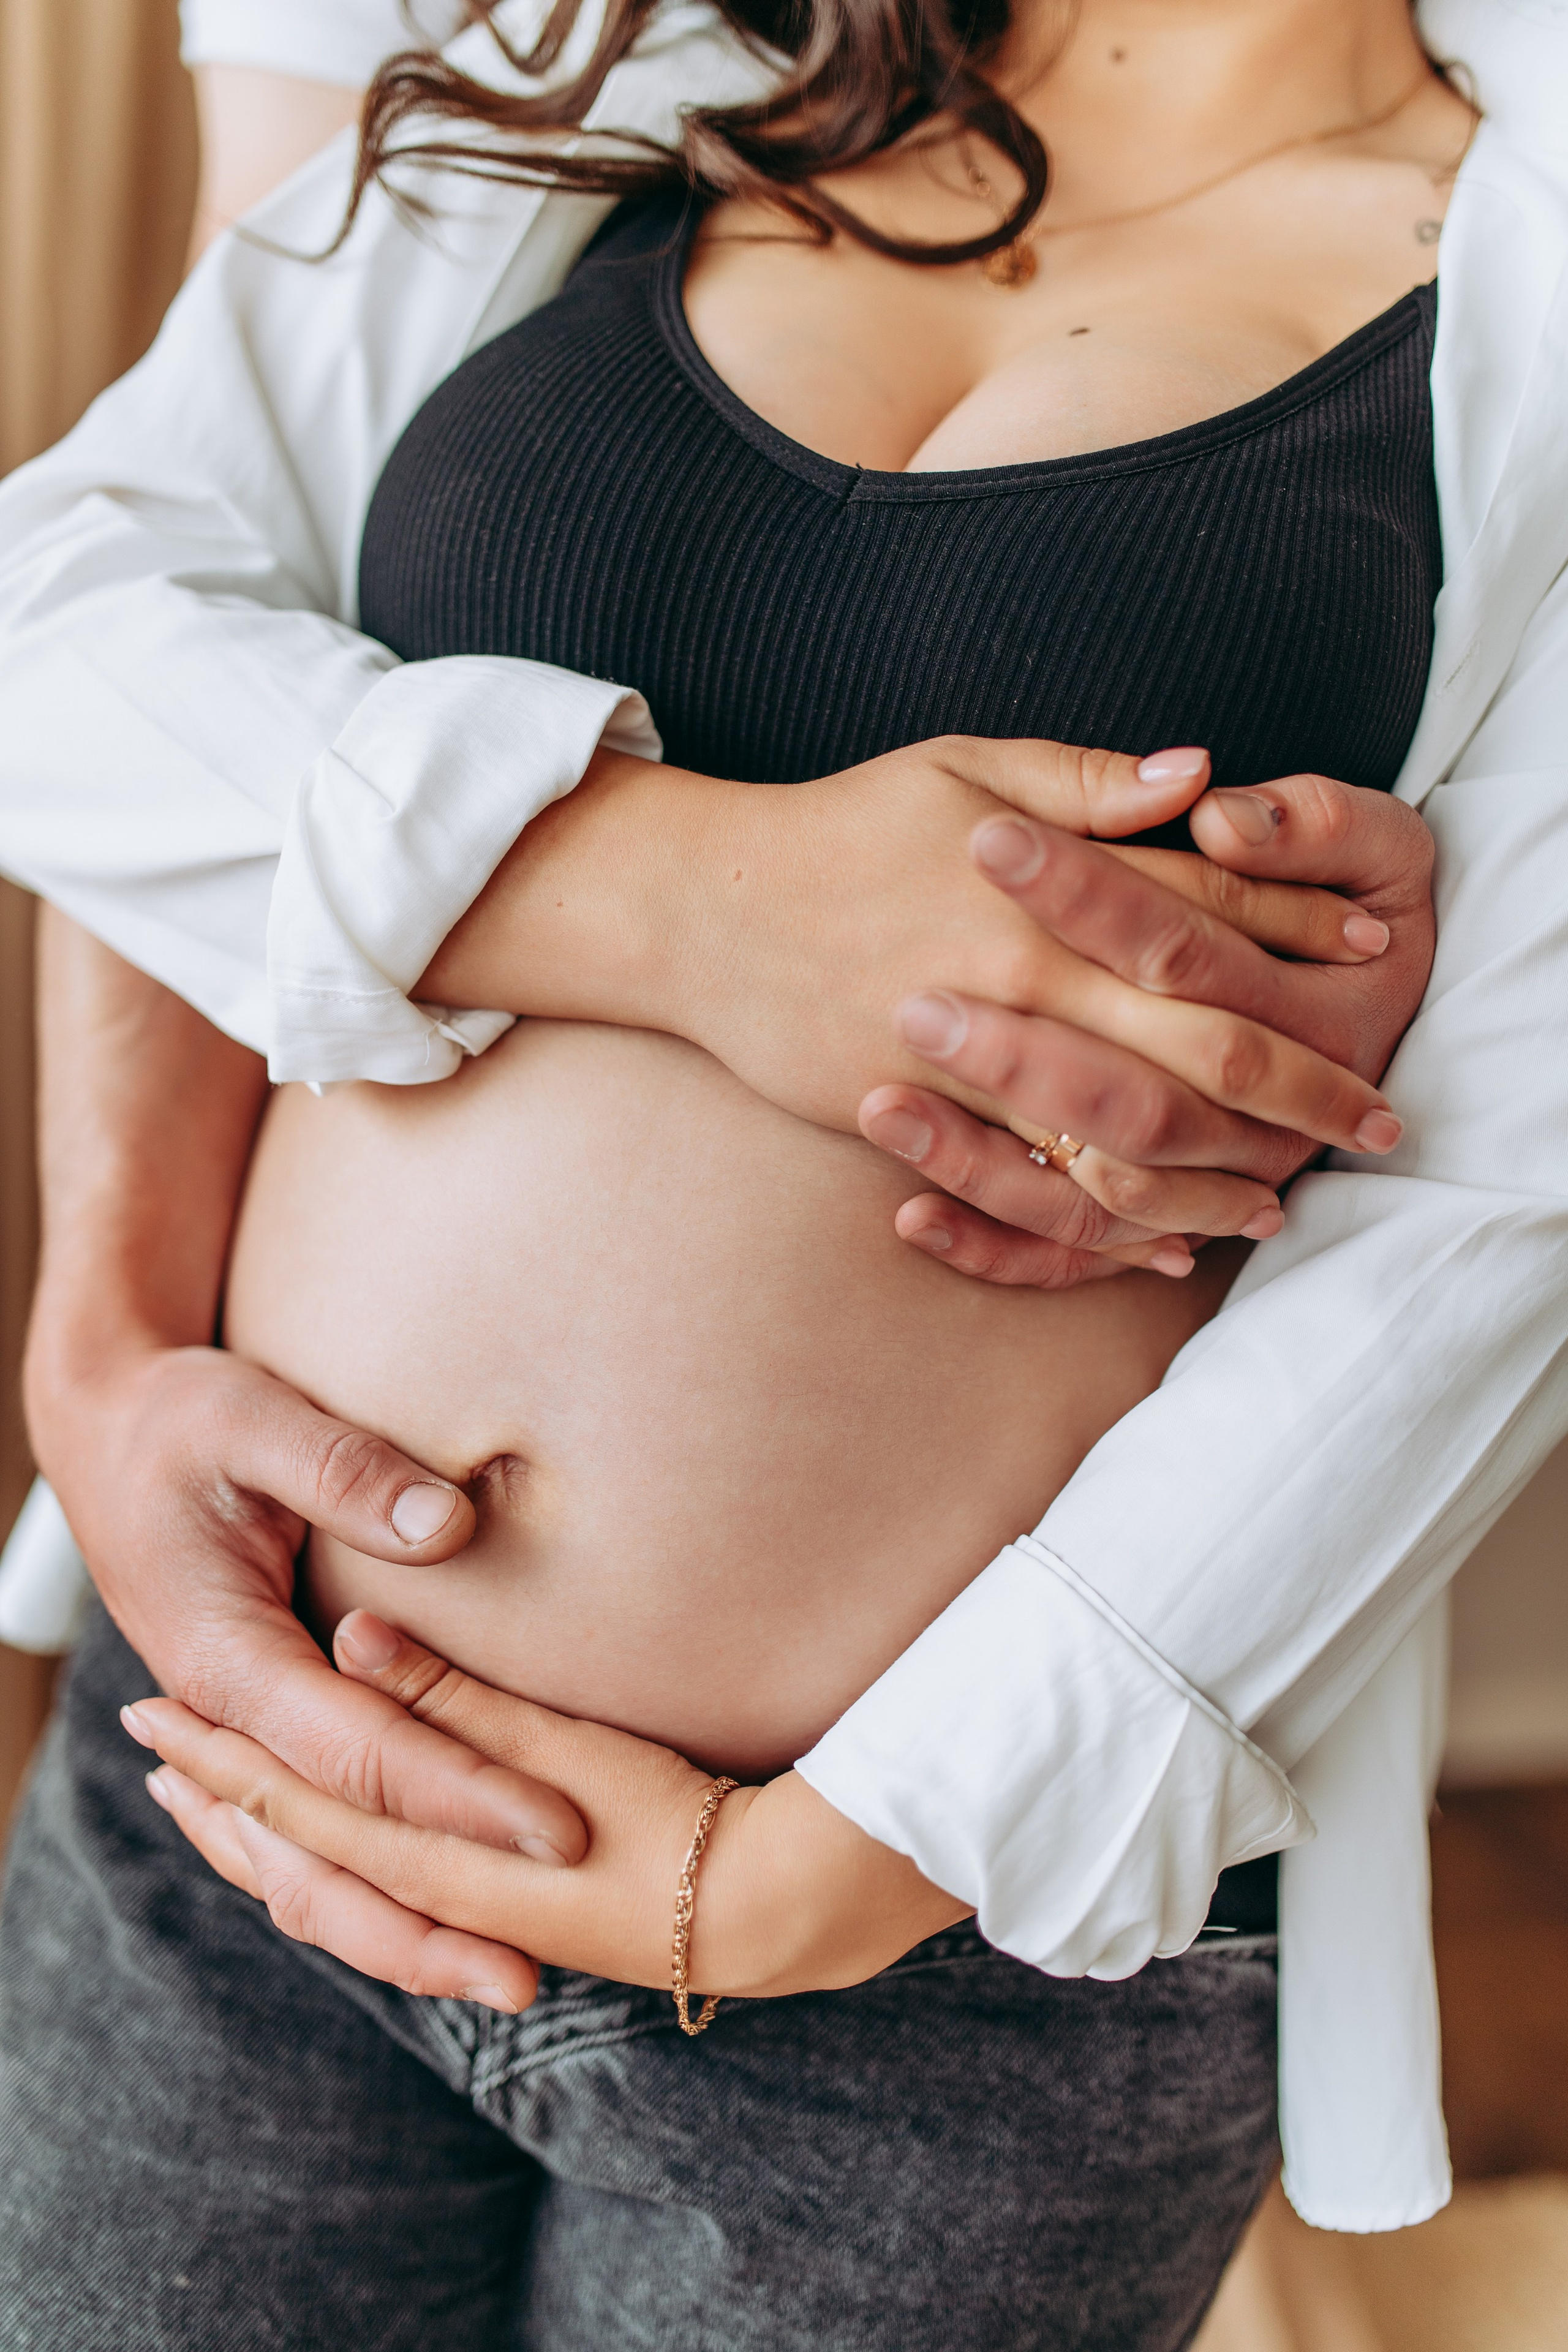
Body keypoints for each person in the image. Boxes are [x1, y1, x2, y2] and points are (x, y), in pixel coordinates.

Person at [1, 0, 1566, 2340]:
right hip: (247, 1763)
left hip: (937, 1987)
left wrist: (829, 1869)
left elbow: (1490, 1216)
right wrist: (682, 902)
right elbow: (62, 622)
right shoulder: (622, 62)